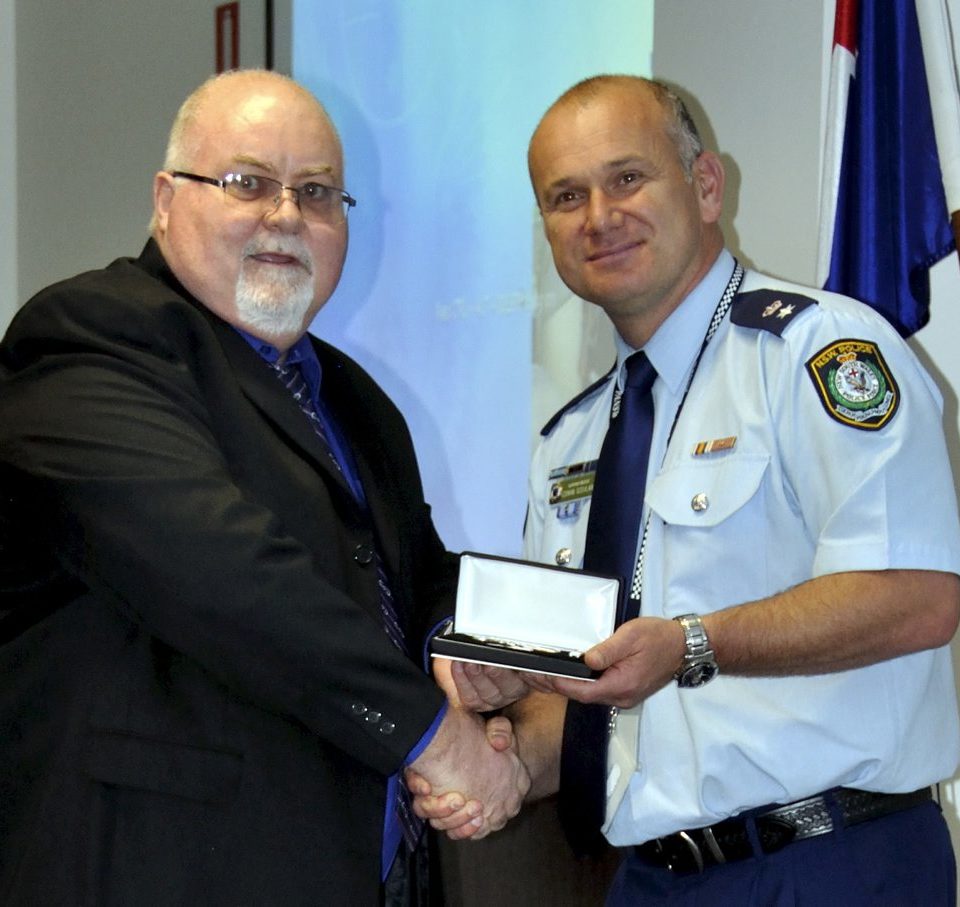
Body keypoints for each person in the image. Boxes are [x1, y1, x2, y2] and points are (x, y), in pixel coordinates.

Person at [413, 75, 960, 905]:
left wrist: (693, 643)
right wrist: (504, 750)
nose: (599, 216)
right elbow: (596, 700)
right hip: (652, 878)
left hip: (831, 862)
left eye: (628, 177)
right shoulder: (570, 441)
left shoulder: (817, 354)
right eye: (566, 196)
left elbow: (917, 597)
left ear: (706, 186)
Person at [0, 69, 527, 907]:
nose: (286, 215)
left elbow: (418, 577)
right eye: (248, 183)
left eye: (316, 193)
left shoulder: (353, 396)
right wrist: (434, 737)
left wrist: (470, 653)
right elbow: (223, 572)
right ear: (165, 200)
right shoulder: (89, 337)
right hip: (162, 874)